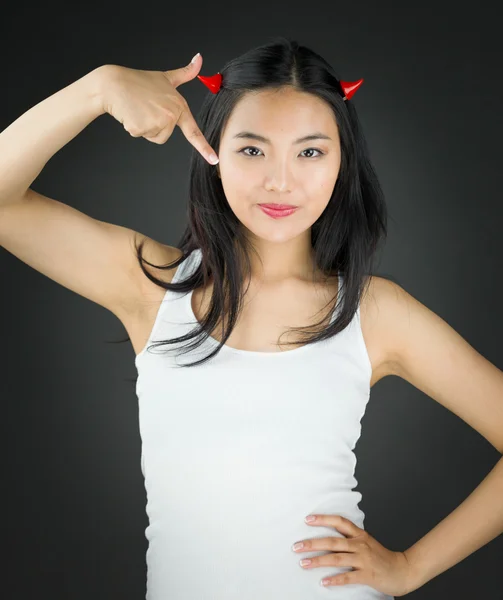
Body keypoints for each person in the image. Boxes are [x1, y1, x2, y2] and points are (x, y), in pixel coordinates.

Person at [2, 36, 502, 600]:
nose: (281, 181)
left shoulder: (374, 312)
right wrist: (97, 88)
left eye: (310, 152)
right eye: (253, 149)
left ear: (343, 162)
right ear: (211, 151)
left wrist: (410, 567)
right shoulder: (151, 288)